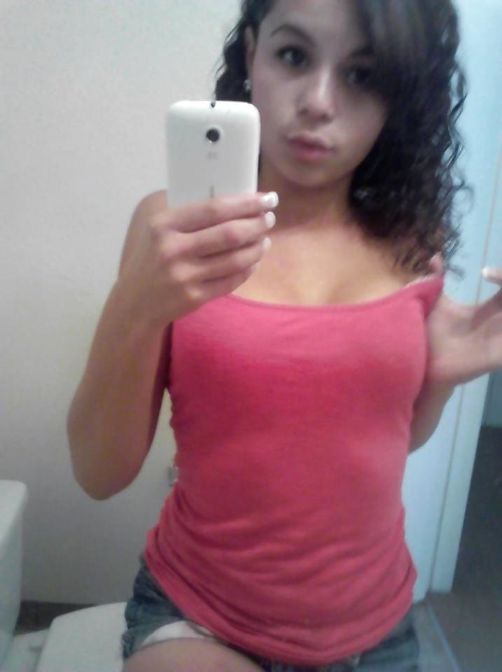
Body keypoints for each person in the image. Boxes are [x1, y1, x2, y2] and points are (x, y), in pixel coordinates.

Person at [67, 1, 502, 670]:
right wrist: (136, 306)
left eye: (362, 75)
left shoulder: (414, 241)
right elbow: (98, 473)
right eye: (294, 56)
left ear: (401, 95)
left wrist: (438, 378)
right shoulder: (177, 232)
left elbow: (382, 440)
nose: (319, 103)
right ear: (252, 54)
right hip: (199, 616)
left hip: (377, 625)